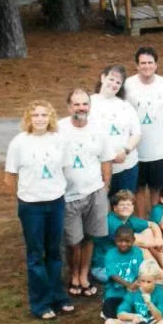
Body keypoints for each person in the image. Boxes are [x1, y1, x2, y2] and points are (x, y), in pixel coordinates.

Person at [6, 99, 71, 320]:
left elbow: (65, 168)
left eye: (44, 115)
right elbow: (10, 175)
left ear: (50, 118)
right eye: (36, 115)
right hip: (31, 205)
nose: (40, 119)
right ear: (29, 119)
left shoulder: (58, 140)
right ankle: (40, 303)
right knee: (36, 254)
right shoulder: (19, 143)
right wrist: (23, 197)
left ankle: (57, 295)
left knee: (54, 251)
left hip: (55, 201)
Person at [59, 88, 114, 297]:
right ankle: (73, 273)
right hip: (68, 195)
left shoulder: (99, 129)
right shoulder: (59, 129)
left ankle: (83, 275)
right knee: (73, 240)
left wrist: (105, 186)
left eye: (85, 104)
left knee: (90, 237)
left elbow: (106, 159)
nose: (81, 108)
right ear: (68, 107)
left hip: (95, 191)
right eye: (76, 104)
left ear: (90, 106)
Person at [124, 47, 163, 216]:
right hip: (136, 151)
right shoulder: (128, 85)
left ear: (156, 65)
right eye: (143, 63)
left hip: (159, 150)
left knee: (158, 190)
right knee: (138, 189)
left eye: (150, 63)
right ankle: (142, 222)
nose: (146, 66)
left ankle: (156, 221)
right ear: (137, 65)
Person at [104, 189, 163, 285]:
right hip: (107, 265)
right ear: (115, 208)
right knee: (140, 248)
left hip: (123, 255)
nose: (125, 207)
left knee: (148, 232)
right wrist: (158, 243)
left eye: (128, 205)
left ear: (133, 207)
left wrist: (159, 239)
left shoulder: (128, 219)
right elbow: (136, 242)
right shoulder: (112, 221)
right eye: (122, 205)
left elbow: (152, 225)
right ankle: (160, 275)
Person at [91, 64, 140, 197]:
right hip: (98, 168)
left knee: (124, 206)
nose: (114, 84)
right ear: (102, 78)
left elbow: (136, 133)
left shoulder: (125, 106)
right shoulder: (89, 103)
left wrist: (126, 150)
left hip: (126, 166)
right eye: (111, 79)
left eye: (118, 82)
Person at [104, 260, 163, 324]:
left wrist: (149, 303)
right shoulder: (135, 291)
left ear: (156, 280)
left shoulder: (160, 292)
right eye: (143, 281)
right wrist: (132, 316)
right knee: (108, 323)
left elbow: (159, 318)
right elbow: (120, 314)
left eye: (149, 282)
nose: (145, 284)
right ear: (139, 279)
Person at [101, 225, 143, 320]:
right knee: (110, 312)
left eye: (127, 241)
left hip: (134, 292)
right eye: (120, 241)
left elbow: (141, 271)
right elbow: (112, 275)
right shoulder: (110, 254)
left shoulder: (137, 252)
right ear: (115, 240)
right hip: (115, 293)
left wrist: (136, 284)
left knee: (141, 309)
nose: (123, 244)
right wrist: (128, 285)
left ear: (133, 240)